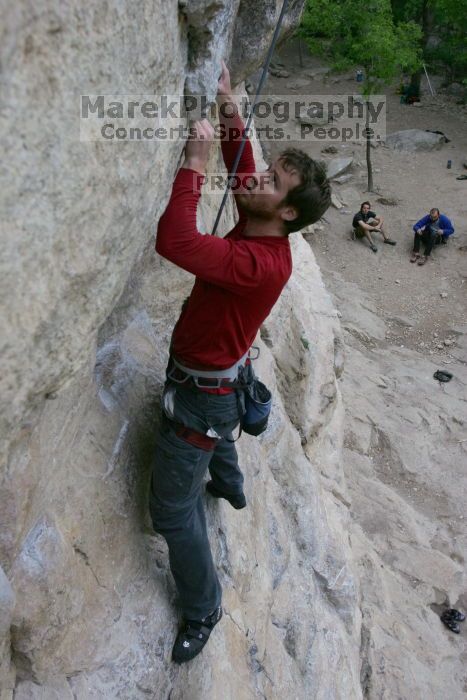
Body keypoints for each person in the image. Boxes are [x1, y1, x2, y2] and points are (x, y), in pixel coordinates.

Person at [149, 61, 331, 664]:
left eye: (273, 182)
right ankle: (230, 485)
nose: (255, 180)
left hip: (203, 391)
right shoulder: (263, 220)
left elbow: (175, 242)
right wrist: (229, 103)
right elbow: (243, 161)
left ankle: (202, 610)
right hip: (217, 380)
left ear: (286, 215)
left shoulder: (262, 261)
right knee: (218, 432)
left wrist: (192, 165)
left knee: (172, 512)